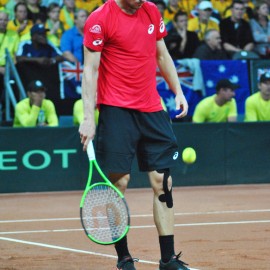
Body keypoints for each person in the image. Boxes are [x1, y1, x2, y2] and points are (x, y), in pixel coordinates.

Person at [79, 0, 190, 270]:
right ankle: (124, 257)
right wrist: (87, 118)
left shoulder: (151, 10)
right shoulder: (100, 19)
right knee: (119, 183)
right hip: (116, 110)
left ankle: (167, 259)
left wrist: (178, 91)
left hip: (151, 107)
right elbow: (90, 70)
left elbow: (161, 55)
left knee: (163, 182)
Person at [0, 10, 20, 113]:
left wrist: (9, 69)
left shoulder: (14, 35)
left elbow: (15, 56)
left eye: (5, 20)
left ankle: (8, 112)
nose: (3, 22)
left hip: (8, 68)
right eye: (0, 19)